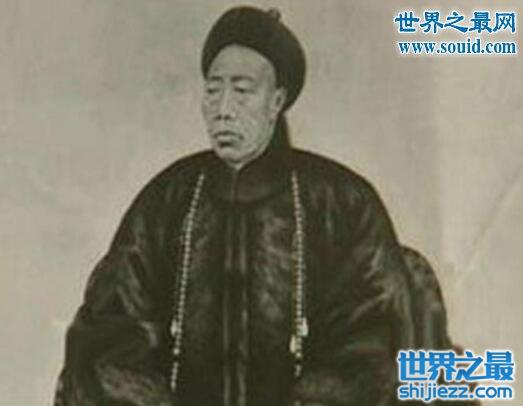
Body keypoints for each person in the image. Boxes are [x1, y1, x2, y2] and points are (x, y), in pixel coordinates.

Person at [54, 6, 418, 406]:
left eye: (242, 91)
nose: (223, 109)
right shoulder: (166, 201)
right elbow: (113, 337)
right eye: (213, 90)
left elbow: (375, 340)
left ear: (276, 101)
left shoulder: (342, 203)